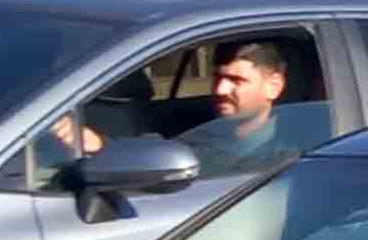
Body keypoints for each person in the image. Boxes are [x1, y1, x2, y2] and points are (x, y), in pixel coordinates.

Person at [47, 40, 308, 179]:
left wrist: (103, 149)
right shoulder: (202, 131)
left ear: (273, 86)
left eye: (236, 81)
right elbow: (156, 150)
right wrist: (99, 145)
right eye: (217, 78)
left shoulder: (285, 159)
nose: (218, 90)